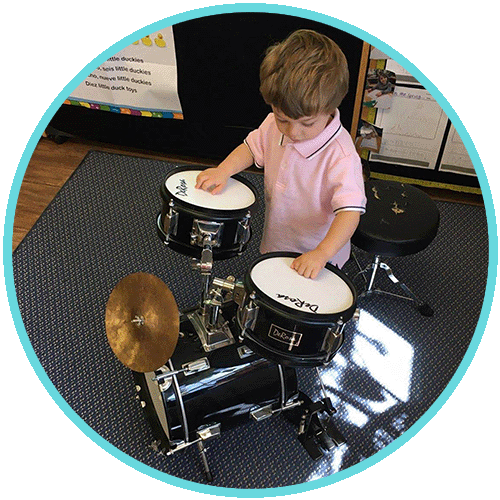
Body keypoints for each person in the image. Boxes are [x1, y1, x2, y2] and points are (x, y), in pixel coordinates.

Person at [196, 29, 366, 279]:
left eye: (307, 124)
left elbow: (350, 213)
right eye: (283, 119)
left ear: (331, 107)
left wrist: (321, 253)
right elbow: (252, 147)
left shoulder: (341, 156)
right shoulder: (274, 124)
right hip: (278, 240)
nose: (293, 132)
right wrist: (224, 170)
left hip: (319, 255)